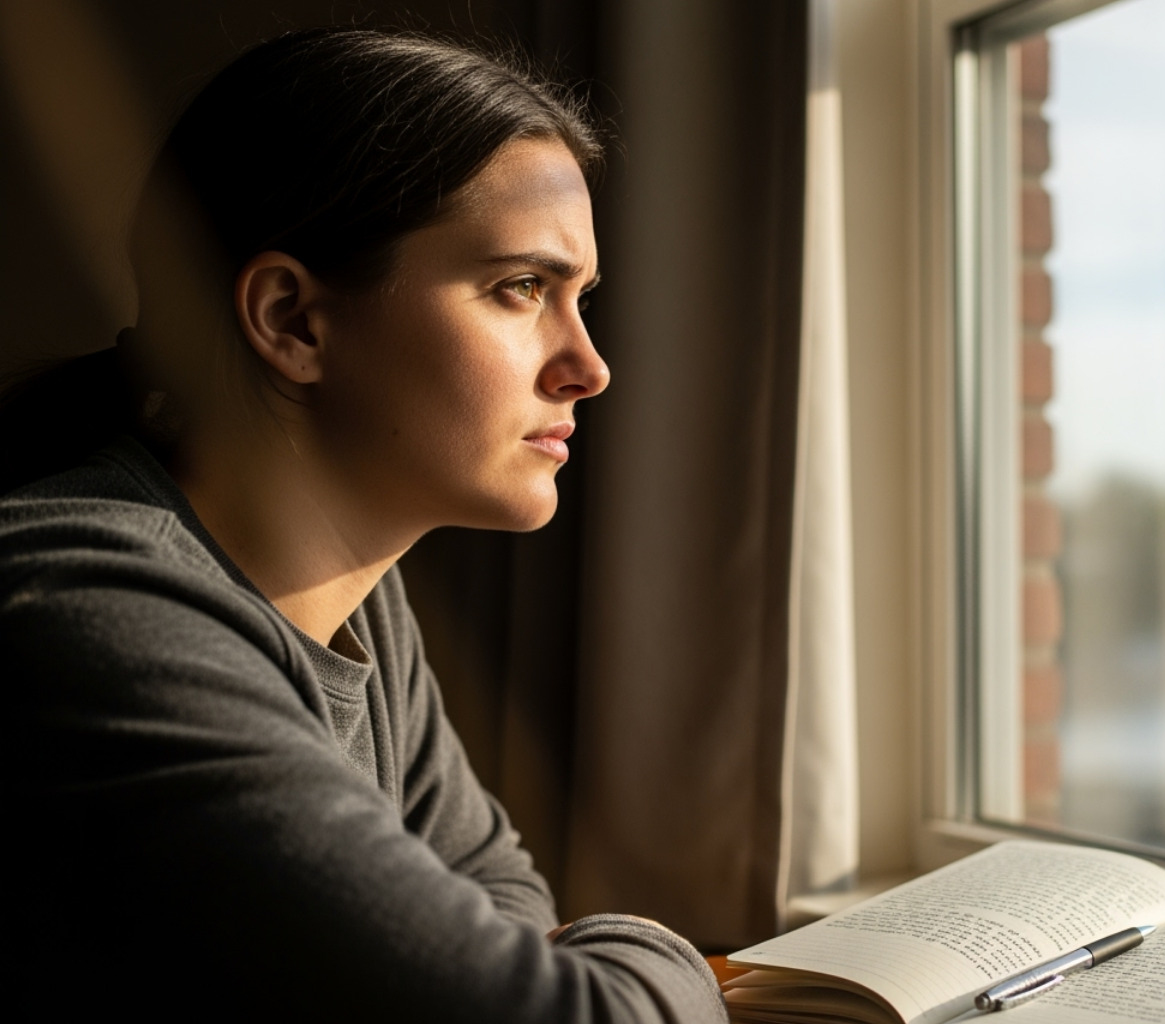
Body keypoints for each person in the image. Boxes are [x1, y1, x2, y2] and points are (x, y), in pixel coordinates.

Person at [0, 27, 726, 1023]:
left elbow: (506, 906)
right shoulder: (97, 612)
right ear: (292, 320)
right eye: (522, 288)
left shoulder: (355, 601)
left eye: (580, 298)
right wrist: (657, 946)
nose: (588, 368)